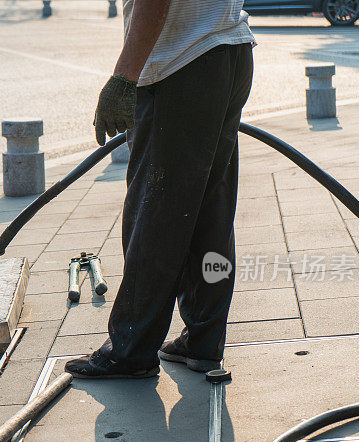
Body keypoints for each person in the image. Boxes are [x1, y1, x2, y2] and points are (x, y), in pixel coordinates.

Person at [65, 0, 256, 379]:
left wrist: (123, 77)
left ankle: (131, 349)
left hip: (181, 65)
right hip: (229, 51)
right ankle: (203, 341)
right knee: (209, 216)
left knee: (155, 216)